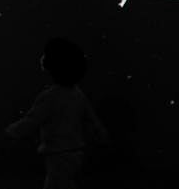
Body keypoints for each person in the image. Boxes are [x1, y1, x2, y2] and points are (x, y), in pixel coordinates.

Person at [6, 38, 109, 189]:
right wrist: (101, 134)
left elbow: (32, 120)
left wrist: (12, 131)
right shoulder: (78, 94)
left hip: (58, 154)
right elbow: (91, 118)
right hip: (76, 152)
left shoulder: (50, 97)